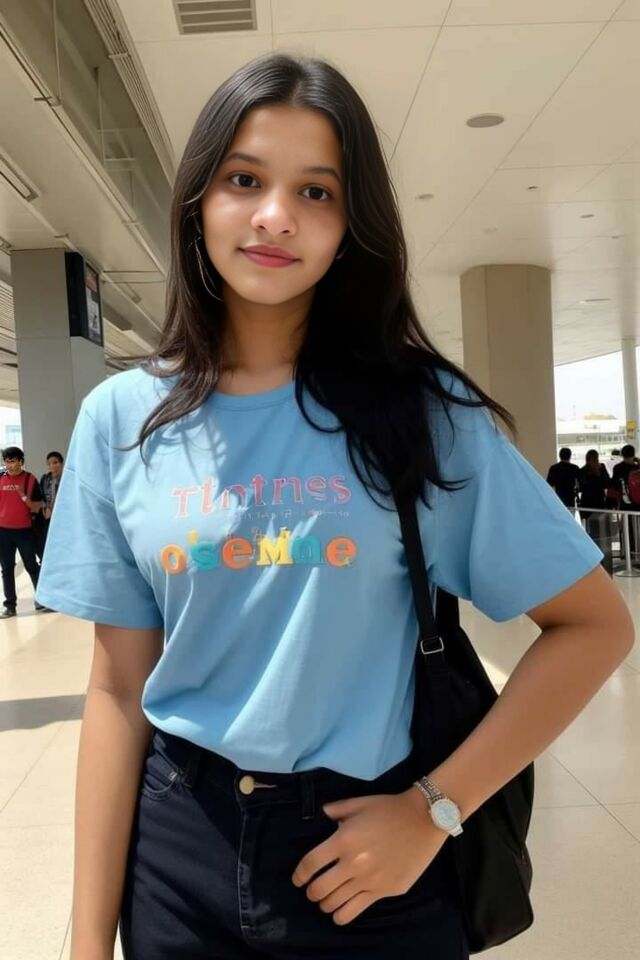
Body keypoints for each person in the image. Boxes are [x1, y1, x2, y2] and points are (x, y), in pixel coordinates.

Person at [37, 54, 633, 960]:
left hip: (369, 862)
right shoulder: (123, 419)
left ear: (353, 226)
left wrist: (434, 811)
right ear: (198, 200)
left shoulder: (423, 413)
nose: (276, 215)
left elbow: (594, 626)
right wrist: (86, 945)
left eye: (316, 192)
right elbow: (119, 690)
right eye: (245, 179)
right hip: (179, 850)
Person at [0, 446, 47, 618]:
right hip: (3, 532)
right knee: (7, 569)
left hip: (25, 531)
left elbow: (38, 505)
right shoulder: (0, 478)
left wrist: (24, 498)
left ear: (21, 461)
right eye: (7, 461)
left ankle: (42, 600)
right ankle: (10, 606)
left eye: (13, 461)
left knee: (32, 566)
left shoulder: (30, 479)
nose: (9, 465)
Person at [36, 451, 64, 559]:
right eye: (49, 464)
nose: (52, 466)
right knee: (47, 543)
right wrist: (45, 507)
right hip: (48, 517)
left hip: (63, 517)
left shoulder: (67, 479)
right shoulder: (45, 479)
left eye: (55, 462)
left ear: (61, 463)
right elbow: (40, 496)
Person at [578, 449, 611, 520]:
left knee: (587, 523)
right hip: (599, 500)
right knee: (599, 523)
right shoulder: (601, 468)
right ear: (597, 458)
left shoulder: (582, 470)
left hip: (586, 501)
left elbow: (580, 488)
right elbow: (607, 484)